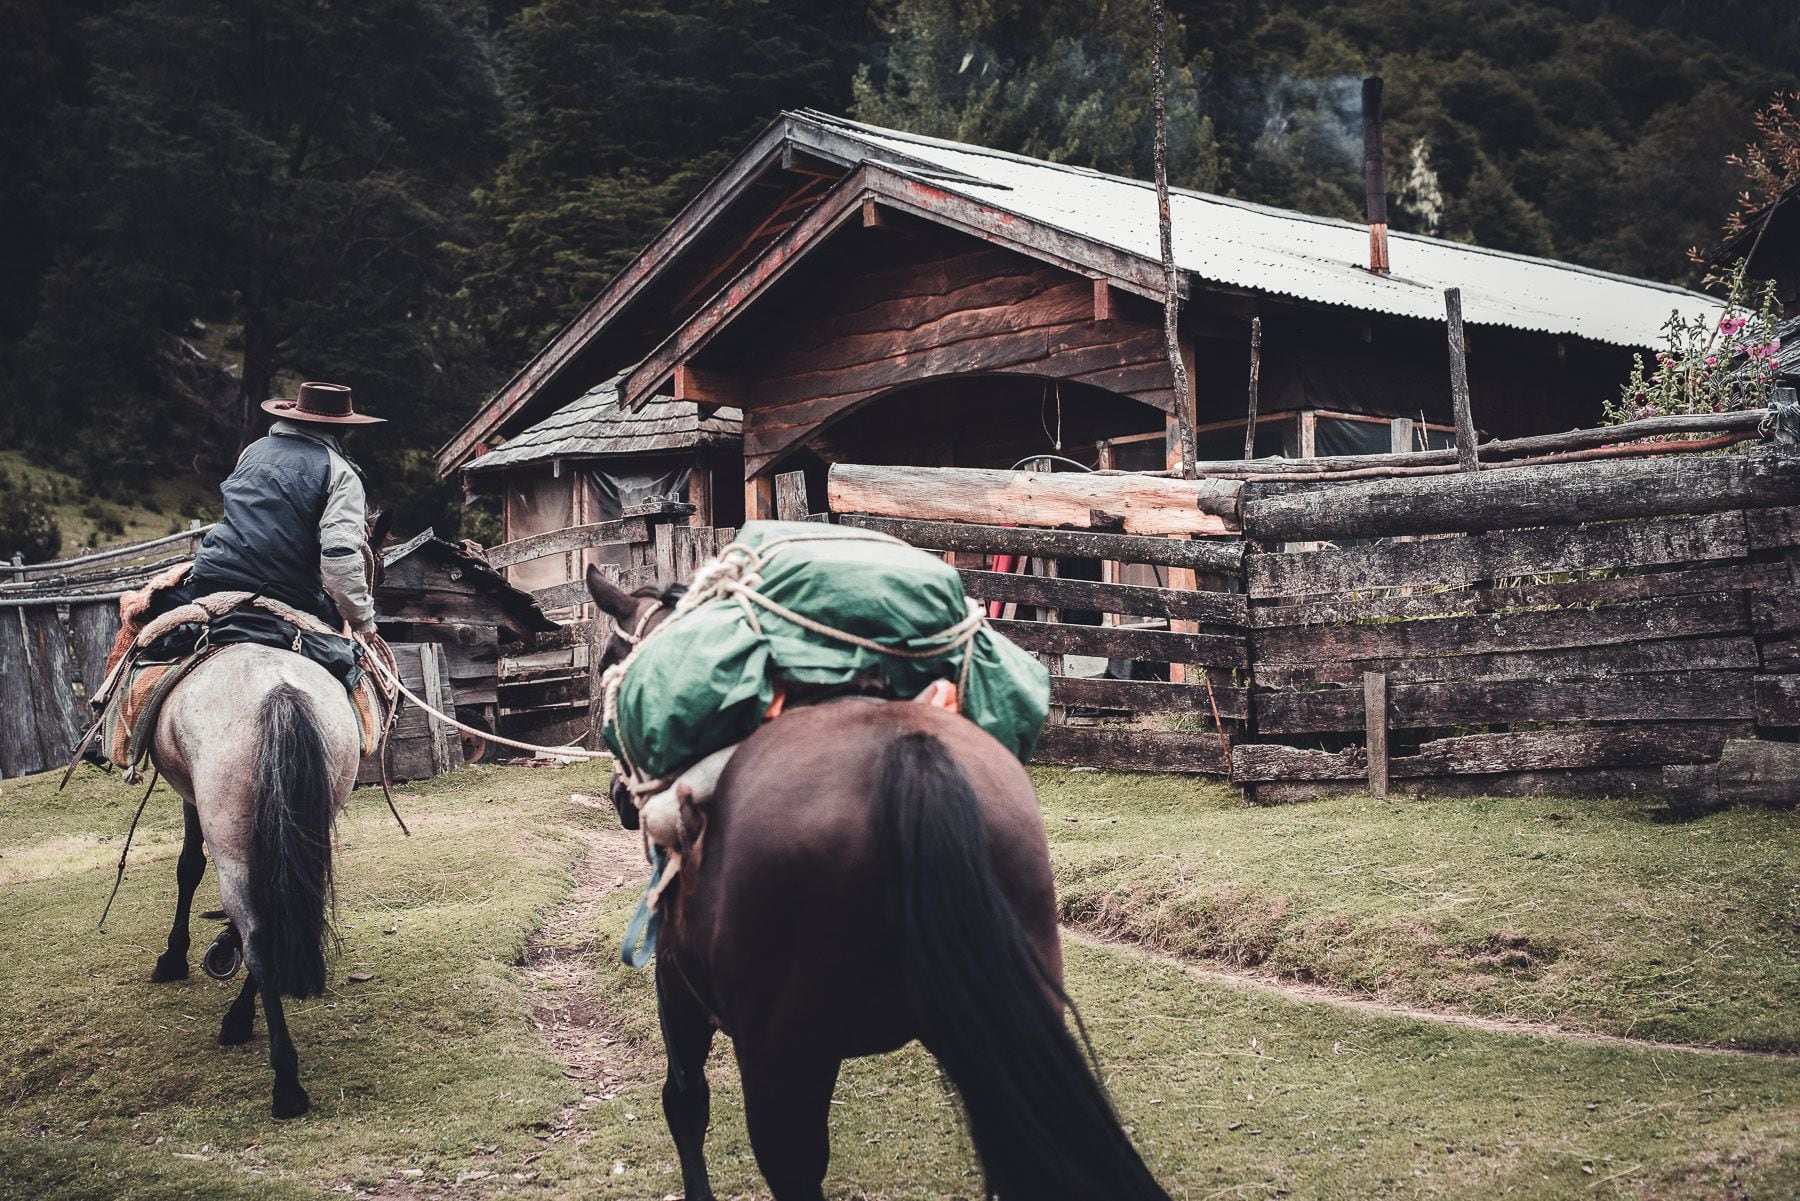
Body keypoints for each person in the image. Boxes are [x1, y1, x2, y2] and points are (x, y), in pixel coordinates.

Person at [187, 381, 384, 633]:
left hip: (212, 578)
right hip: (286, 591)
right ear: (342, 428)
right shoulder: (341, 472)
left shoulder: (252, 451)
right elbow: (339, 557)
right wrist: (362, 620)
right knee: (348, 661)